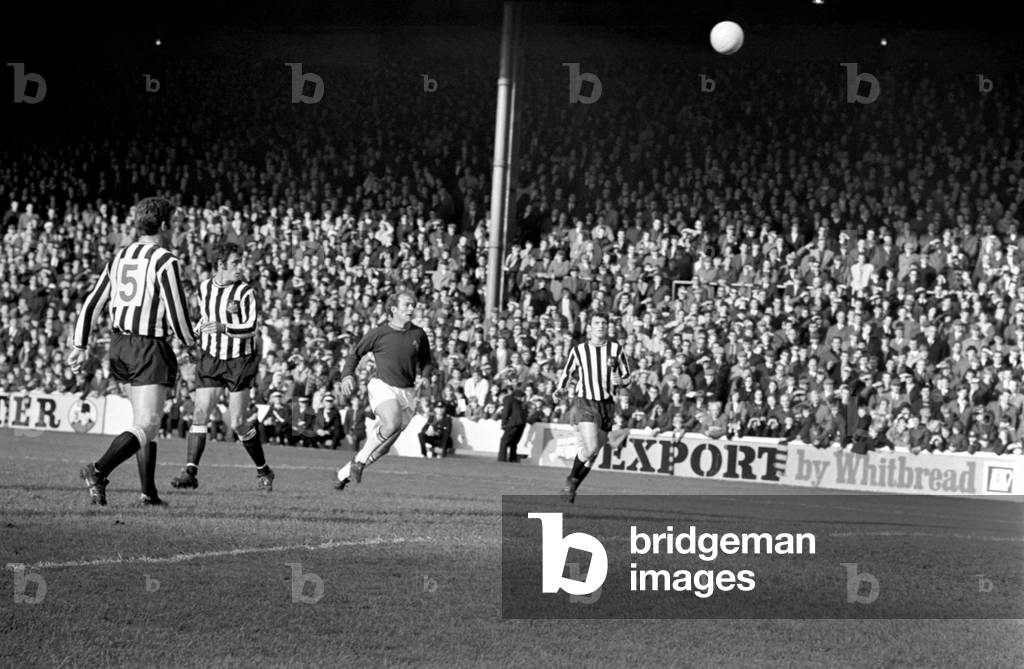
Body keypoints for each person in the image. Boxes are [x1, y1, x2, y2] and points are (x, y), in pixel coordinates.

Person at [70, 196, 196, 506]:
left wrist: (80, 345)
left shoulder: (120, 256)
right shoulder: (165, 259)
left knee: (141, 422)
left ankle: (148, 492)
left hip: (119, 347)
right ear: (164, 225)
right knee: (148, 423)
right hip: (147, 345)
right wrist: (191, 348)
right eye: (173, 224)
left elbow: (92, 303)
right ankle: (98, 470)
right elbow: (177, 312)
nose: (174, 230)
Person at [170, 243, 275, 491]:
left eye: (241, 262)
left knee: (237, 421)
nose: (241, 267)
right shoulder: (205, 287)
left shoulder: (245, 292)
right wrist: (194, 333)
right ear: (220, 265)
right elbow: (206, 316)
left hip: (240, 360)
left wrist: (223, 328)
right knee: (200, 413)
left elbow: (250, 328)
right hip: (211, 358)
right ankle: (190, 472)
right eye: (236, 262)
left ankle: (264, 470)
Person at [335, 291, 434, 489]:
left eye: (413, 305)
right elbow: (355, 354)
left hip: (408, 393)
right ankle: (361, 461)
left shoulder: (419, 334)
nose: (411, 308)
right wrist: (347, 375)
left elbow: (427, 362)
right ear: (394, 309)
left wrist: (425, 376)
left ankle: (343, 474)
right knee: (391, 423)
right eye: (407, 305)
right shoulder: (379, 333)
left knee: (383, 448)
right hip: (383, 386)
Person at [554, 311, 630, 503]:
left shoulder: (616, 349)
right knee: (591, 446)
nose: (601, 326)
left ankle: (571, 489)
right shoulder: (579, 350)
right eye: (597, 323)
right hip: (585, 401)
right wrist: (560, 389)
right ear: (589, 327)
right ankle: (571, 479)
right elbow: (567, 372)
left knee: (593, 454)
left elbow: (628, 377)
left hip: (607, 405)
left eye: (604, 322)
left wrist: (621, 381)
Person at [498, 386, 528, 462]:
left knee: (504, 441)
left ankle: (502, 459)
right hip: (522, 423)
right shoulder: (519, 403)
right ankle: (513, 459)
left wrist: (503, 423)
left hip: (514, 422)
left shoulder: (508, 399)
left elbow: (506, 412)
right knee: (514, 442)